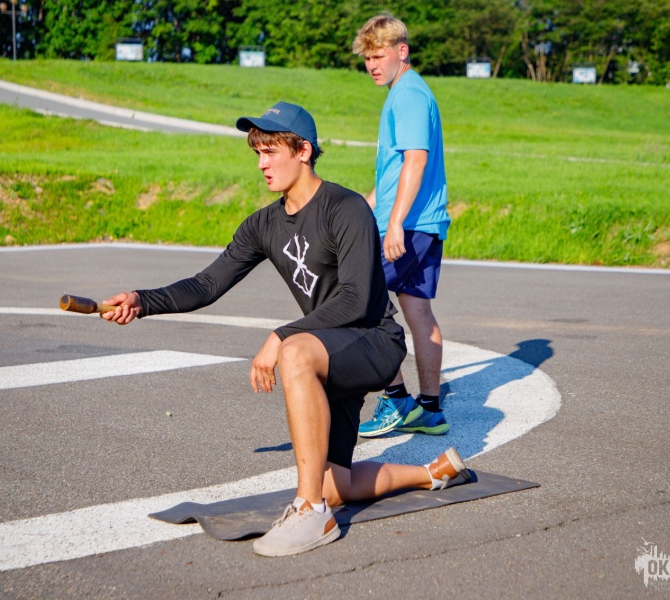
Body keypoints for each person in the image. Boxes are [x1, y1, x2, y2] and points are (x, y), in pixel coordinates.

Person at [99, 101, 468, 557]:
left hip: (374, 340)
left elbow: (355, 298)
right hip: (329, 348)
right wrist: (141, 301)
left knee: (294, 353)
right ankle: (433, 472)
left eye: (271, 151)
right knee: (336, 483)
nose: (262, 163)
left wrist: (281, 335)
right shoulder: (263, 224)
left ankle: (311, 511)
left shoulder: (346, 208)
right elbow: (207, 284)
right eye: (258, 152)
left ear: (303, 151)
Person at [353, 15, 452, 440]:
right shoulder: (409, 91)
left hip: (407, 225)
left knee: (359, 301)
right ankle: (430, 410)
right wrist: (363, 207)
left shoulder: (408, 95)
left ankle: (395, 399)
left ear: (402, 51)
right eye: (367, 58)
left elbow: (416, 160)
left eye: (379, 56)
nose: (372, 65)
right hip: (424, 223)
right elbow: (394, 172)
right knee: (418, 312)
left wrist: (393, 223)